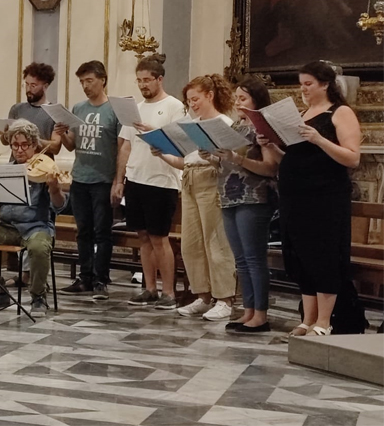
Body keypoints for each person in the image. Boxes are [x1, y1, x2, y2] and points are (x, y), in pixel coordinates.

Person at [277, 61, 361, 338]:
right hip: (295, 197)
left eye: (308, 84)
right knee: (300, 256)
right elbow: (299, 158)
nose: (303, 89)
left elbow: (352, 157)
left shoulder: (340, 112)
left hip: (324, 198)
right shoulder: (302, 113)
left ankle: (324, 321)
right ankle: (308, 318)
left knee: (322, 255)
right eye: (301, 84)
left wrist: (319, 139)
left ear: (325, 84)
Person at [0, 119, 65, 314]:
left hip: (36, 227)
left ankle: (38, 296)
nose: (20, 149)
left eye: (25, 145)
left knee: (39, 247)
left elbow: (58, 207)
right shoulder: (5, 171)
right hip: (6, 226)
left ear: (34, 146)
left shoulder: (44, 169)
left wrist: (55, 189)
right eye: (15, 145)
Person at [157, 75, 238, 321]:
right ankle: (202, 296)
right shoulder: (193, 125)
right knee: (191, 243)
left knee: (216, 242)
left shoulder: (223, 123)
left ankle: (224, 299)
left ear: (210, 96)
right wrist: (162, 154)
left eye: (196, 99)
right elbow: (185, 162)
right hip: (190, 180)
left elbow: (230, 162)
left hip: (211, 179)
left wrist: (213, 155)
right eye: (189, 101)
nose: (192, 105)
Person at [115, 54, 186, 311]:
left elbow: (179, 144)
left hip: (162, 180)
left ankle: (169, 291)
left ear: (159, 79)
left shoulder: (174, 107)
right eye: (139, 81)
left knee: (159, 237)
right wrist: (119, 179)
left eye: (147, 80)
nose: (143, 85)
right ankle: (149, 288)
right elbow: (125, 146)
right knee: (142, 236)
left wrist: (153, 133)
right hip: (136, 178)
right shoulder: (135, 109)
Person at [215, 76, 281, 333]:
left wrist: (238, 160)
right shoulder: (235, 126)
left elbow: (269, 167)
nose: (238, 103)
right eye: (236, 98)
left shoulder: (262, 127)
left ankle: (261, 315)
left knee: (254, 259)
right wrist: (214, 157)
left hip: (254, 197)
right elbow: (228, 163)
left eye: (243, 98)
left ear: (257, 100)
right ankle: (248, 310)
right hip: (229, 195)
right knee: (240, 259)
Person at [52, 61, 122, 300]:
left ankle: (101, 278)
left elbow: (122, 147)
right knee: (83, 231)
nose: (85, 86)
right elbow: (73, 145)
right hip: (80, 177)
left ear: (102, 79)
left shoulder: (114, 110)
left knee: (102, 231)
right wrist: (62, 134)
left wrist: (118, 180)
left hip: (103, 178)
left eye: (89, 80)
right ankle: (85, 277)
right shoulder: (78, 108)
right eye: (82, 81)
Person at [1, 62, 58, 153]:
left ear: (45, 86)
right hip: (17, 164)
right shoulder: (16, 109)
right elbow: (4, 142)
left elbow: (56, 147)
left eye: (33, 86)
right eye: (26, 84)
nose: (28, 89)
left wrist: (32, 140)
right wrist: (5, 135)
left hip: (41, 164)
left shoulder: (54, 112)